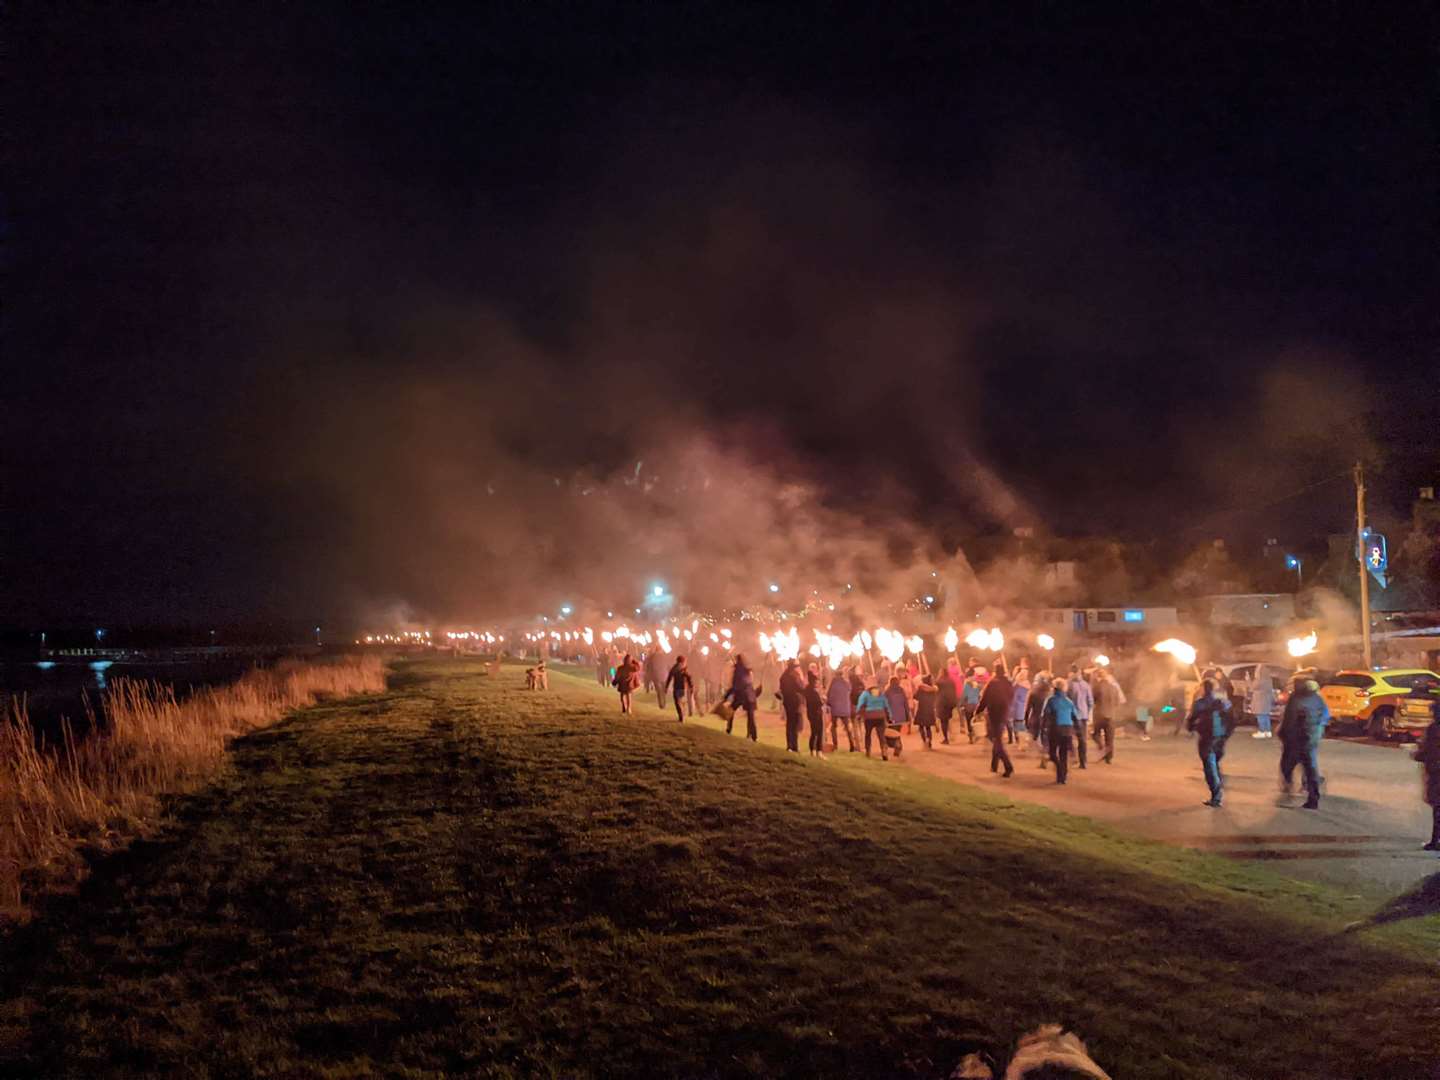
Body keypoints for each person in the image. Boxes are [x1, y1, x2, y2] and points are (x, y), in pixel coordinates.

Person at [1279, 678, 1329, 810]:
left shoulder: (1296, 699)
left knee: (1287, 765)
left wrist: (1283, 734)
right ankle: (1313, 798)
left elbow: (1289, 720)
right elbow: (1325, 715)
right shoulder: (1317, 698)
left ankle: (1288, 790)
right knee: (1310, 768)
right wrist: (1318, 729)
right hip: (1311, 738)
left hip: (1296, 739)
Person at [1187, 678, 1234, 807]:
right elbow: (1232, 718)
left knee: (1209, 765)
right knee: (1214, 763)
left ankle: (1216, 795)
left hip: (1207, 737)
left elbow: (1191, 719)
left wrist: (1191, 728)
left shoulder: (1200, 704)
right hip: (1220, 737)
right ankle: (1218, 785)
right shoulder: (1223, 703)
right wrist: (1226, 734)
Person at [1413, 700, 1440, 851]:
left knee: (1438, 808)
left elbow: (1427, 751)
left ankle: (1436, 840)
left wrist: (1418, 754)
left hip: (1437, 772)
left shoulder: (1434, 729)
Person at [979, 667, 1015, 777]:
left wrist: (978, 711)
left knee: (996, 740)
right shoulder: (1008, 683)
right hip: (1004, 713)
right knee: (996, 738)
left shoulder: (992, 683)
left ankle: (1008, 766)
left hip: (994, 714)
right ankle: (994, 765)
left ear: (995, 672)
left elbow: (984, 698)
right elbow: (1011, 696)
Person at [1043, 676, 1078, 784]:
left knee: (1053, 754)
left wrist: (1043, 728)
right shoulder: (1069, 702)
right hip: (1067, 729)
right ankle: (1062, 777)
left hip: (1055, 729)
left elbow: (1046, 715)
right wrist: (1078, 731)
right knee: (1063, 754)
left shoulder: (1051, 700)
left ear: (1054, 688)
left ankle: (1060, 772)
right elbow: (1075, 717)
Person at [1091, 667, 1125, 764]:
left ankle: (1102, 747)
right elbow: (1118, 702)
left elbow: (1092, 699)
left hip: (1099, 714)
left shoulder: (1097, 687)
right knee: (1110, 738)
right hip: (1111, 715)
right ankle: (1108, 758)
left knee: (1095, 734)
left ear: (1099, 676)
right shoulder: (1114, 688)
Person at [722, 653, 759, 740]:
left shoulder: (739, 671)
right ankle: (753, 735)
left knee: (732, 710)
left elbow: (735, 686)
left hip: (743, 695)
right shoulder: (747, 670)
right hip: (748, 696)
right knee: (750, 717)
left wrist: (726, 696)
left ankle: (729, 729)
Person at [856, 681, 892, 760]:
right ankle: (884, 751)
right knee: (881, 735)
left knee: (868, 734)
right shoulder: (881, 694)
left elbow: (860, 704)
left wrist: (858, 714)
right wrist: (889, 716)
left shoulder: (865, 694)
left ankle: (868, 750)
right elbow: (886, 705)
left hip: (869, 717)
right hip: (880, 716)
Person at [1066, 666, 1094, 769]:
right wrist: (1089, 714)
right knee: (1082, 739)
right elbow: (1090, 701)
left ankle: (1073, 756)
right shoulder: (1086, 685)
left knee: (1068, 737)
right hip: (1083, 715)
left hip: (1072, 715)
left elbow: (1066, 700)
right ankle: (1083, 761)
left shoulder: (1069, 684)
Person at [778, 659, 806, 753]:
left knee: (790, 724)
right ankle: (794, 746)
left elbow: (781, 688)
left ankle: (790, 745)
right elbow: (800, 688)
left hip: (787, 702)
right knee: (793, 725)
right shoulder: (793, 676)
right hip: (793, 702)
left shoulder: (783, 676)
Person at [826, 667, 857, 751]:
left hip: (835, 708)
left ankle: (835, 745)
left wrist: (828, 703)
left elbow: (828, 695)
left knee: (833, 727)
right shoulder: (846, 683)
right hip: (845, 708)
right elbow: (850, 689)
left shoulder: (833, 683)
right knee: (847, 728)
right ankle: (852, 745)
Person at [663, 654, 694, 724]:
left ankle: (681, 717)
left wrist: (666, 687)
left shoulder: (675, 668)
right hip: (682, 687)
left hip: (677, 687)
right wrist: (691, 686)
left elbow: (669, 677)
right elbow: (689, 677)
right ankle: (682, 715)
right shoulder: (683, 668)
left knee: (678, 702)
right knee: (680, 701)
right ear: (682, 661)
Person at [914, 674, 939, 749]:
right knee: (928, 727)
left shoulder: (921, 689)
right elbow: (935, 699)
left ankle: (924, 740)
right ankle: (929, 740)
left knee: (921, 726)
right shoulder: (933, 690)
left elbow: (915, 697)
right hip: (930, 709)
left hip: (922, 709)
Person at [936, 664, 959, 744]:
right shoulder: (951, 681)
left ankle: (946, 738)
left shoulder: (939, 682)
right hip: (950, 703)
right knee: (947, 720)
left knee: (943, 721)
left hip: (942, 704)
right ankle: (949, 736)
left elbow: (935, 689)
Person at [1249, 672, 1276, 738]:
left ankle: (1262, 731)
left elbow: (1252, 688)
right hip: (1266, 701)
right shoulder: (1269, 680)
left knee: (1260, 716)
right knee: (1266, 716)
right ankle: (1268, 731)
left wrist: (1248, 680)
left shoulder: (1258, 680)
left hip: (1259, 701)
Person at [960, 668, 983, 743]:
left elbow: (964, 695)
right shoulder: (976, 684)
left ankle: (971, 737)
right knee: (975, 721)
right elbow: (979, 694)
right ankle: (975, 735)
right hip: (975, 704)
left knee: (969, 721)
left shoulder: (966, 684)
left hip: (969, 705)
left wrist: (961, 705)